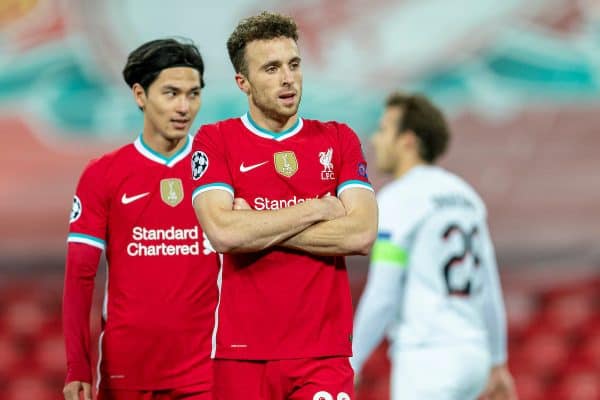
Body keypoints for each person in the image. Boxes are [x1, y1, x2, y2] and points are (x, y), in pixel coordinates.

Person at [190, 11, 378, 400]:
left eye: (293, 65)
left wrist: (254, 228)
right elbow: (223, 233)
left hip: (322, 354)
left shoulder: (339, 139)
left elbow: (361, 233)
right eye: (271, 68)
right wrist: (315, 208)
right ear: (243, 82)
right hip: (239, 353)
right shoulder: (215, 140)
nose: (288, 78)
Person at [62, 38, 218, 400]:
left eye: (193, 94)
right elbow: (79, 277)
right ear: (139, 95)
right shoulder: (103, 174)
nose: (184, 107)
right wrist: (77, 366)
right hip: (126, 375)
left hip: (205, 375)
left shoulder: (220, 169)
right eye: (171, 93)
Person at [350, 93, 518, 400]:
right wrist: (498, 362)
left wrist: (352, 359)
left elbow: (384, 293)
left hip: (428, 359)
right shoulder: (467, 197)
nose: (375, 139)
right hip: (474, 356)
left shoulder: (399, 199)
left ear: (408, 141)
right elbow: (490, 288)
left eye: (385, 129)